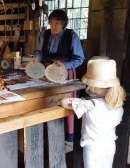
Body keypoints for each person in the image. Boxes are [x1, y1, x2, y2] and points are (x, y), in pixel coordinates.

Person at [61, 57, 125, 168]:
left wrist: (80, 101)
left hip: (94, 147)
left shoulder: (90, 105)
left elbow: (64, 102)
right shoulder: (117, 104)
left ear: (93, 86)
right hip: (110, 144)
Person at [34, 9, 85, 141]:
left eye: (57, 23)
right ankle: (45, 131)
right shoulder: (43, 34)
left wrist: (65, 65)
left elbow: (79, 59)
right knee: (45, 100)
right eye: (51, 22)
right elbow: (39, 52)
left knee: (64, 102)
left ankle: (67, 133)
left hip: (64, 72)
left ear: (64, 24)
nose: (53, 26)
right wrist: (36, 59)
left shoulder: (71, 36)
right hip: (46, 71)